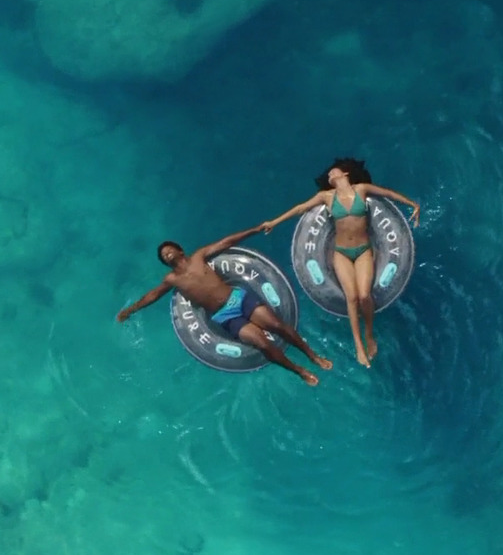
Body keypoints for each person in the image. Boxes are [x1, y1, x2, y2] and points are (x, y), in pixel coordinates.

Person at [116, 224, 332, 386]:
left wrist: (255, 230)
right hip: (224, 315)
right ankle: (299, 370)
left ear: (180, 251)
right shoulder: (172, 280)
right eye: (164, 256)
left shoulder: (199, 256)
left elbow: (226, 242)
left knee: (276, 325)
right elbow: (153, 295)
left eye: (169, 250)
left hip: (238, 298)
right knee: (262, 343)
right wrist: (131, 309)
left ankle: (312, 354)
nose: (167, 254)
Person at [259, 157, 420, 368]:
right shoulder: (326, 196)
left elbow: (387, 193)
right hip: (341, 253)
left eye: (332, 172)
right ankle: (359, 346)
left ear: (345, 173)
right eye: (328, 175)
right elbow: (300, 208)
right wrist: (274, 222)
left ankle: (369, 333)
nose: (329, 174)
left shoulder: (361, 189)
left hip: (363, 251)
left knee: (364, 295)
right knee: (351, 298)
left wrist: (412, 204)